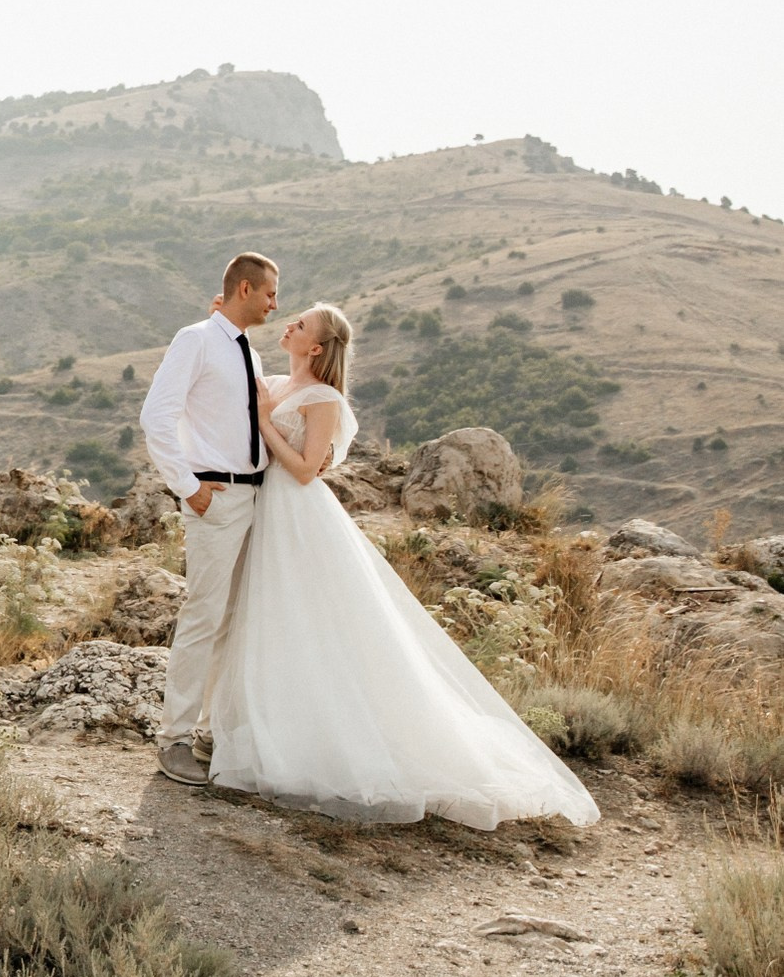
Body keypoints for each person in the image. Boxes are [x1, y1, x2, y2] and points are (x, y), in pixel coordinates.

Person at [206, 302, 599, 829]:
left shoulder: (324, 400)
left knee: (308, 620)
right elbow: (238, 365)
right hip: (263, 509)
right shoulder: (276, 381)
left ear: (316, 347)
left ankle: (318, 741)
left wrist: (263, 423)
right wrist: (222, 317)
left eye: (300, 325)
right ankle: (256, 723)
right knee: (268, 619)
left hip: (297, 513)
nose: (289, 325)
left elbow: (304, 470)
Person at [139, 251, 280, 786]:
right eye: (270, 293)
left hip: (255, 500)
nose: (275, 303)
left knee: (232, 620)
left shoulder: (250, 355)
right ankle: (172, 738)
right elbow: (157, 415)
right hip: (215, 500)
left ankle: (207, 729)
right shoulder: (195, 339)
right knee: (202, 618)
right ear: (245, 289)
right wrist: (189, 488)